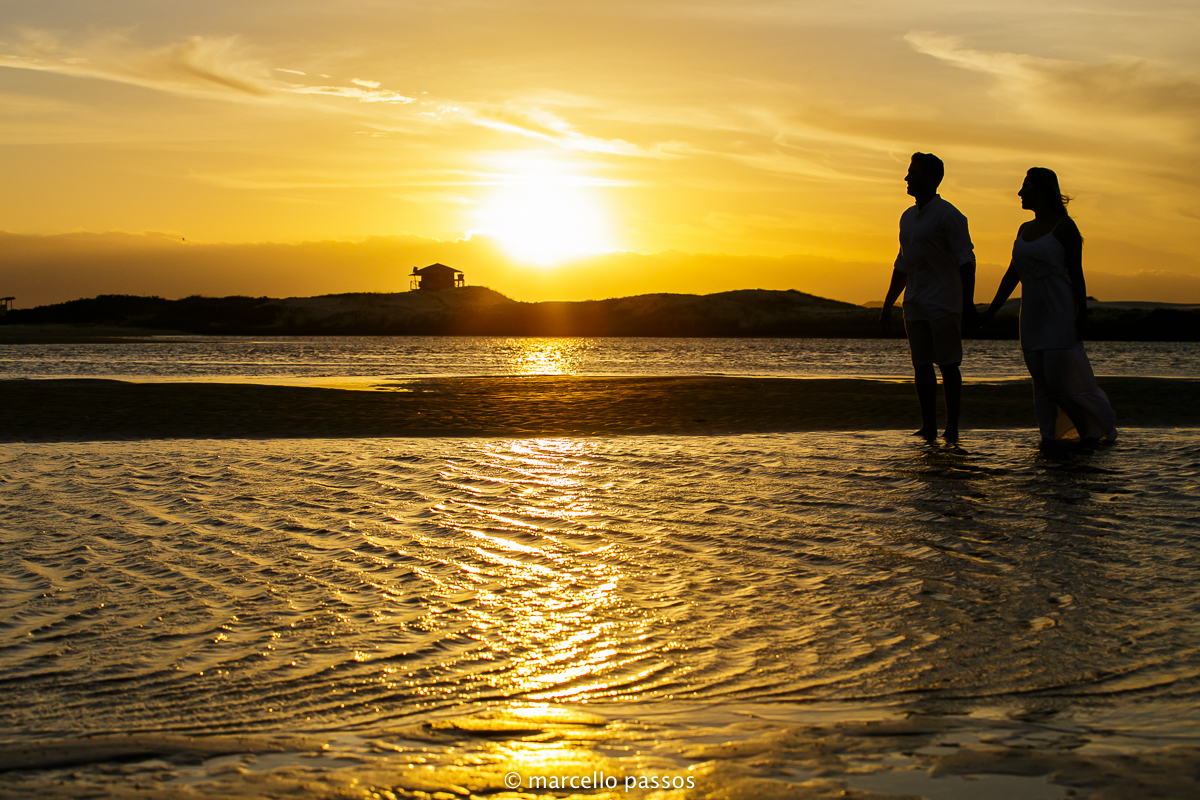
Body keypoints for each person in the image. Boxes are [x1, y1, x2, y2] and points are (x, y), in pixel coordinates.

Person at [979, 167, 1116, 446]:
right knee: (1041, 385)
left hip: (1059, 312)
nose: (1020, 192)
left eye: (1025, 186)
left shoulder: (1064, 227)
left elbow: (1076, 275)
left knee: (1060, 382)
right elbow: (1011, 274)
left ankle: (1094, 429)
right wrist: (990, 312)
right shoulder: (1024, 229)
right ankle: (1049, 438)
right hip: (1031, 316)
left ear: (1041, 191)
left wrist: (1083, 315)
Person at [880, 153, 977, 442]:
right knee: (921, 366)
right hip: (915, 303)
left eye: (914, 173)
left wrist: (968, 303)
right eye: (908, 173)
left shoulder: (949, 215)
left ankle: (952, 428)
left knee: (948, 365)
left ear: (932, 179)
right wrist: (887, 304)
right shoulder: (907, 218)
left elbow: (966, 260)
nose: (907, 179)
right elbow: (902, 264)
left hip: (944, 303)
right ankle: (929, 426)